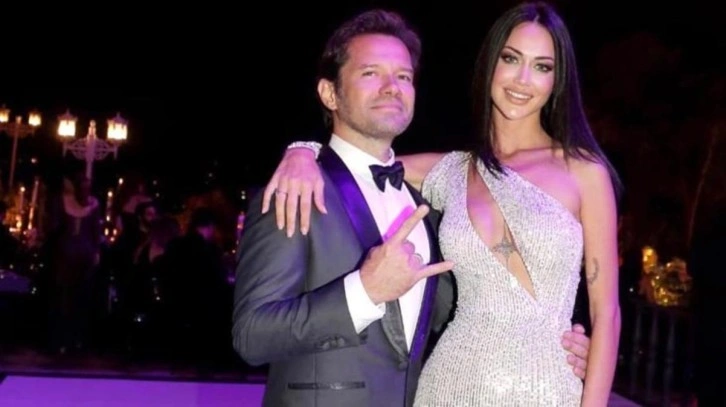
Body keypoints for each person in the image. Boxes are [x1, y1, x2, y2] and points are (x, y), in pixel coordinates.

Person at [259, 2, 618, 406]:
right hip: (449, 384)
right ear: (490, 64)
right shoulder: (452, 170)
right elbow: (357, 159)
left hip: (548, 387)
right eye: (511, 59)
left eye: (542, 66)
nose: (523, 79)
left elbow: (607, 313)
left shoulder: (583, 171)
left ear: (557, 80)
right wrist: (302, 151)